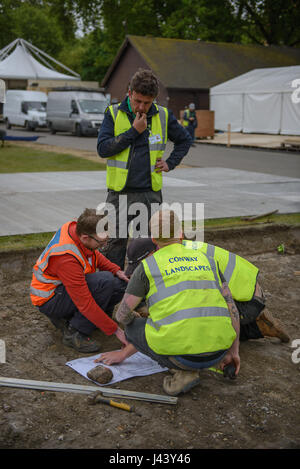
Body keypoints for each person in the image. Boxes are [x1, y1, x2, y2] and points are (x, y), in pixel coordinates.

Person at [95, 209, 241, 396]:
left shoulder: (147, 266)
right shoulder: (208, 260)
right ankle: (190, 365)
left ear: (154, 239)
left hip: (182, 358)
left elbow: (121, 315)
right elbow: (232, 309)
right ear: (181, 234)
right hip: (218, 354)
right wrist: (233, 351)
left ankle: (184, 372)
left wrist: (140, 317)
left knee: (132, 326)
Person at [97, 68, 192, 271]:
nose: (141, 107)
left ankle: (141, 290)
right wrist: (133, 131)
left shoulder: (163, 116)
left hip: (150, 195)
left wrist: (171, 162)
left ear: (154, 99)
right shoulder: (113, 114)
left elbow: (185, 140)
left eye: (147, 103)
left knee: (147, 244)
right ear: (129, 93)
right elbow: (103, 149)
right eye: (137, 101)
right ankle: (114, 289)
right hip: (119, 195)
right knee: (114, 242)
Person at [124, 236, 290, 342]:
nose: (141, 268)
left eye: (141, 263)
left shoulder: (181, 260)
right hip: (249, 293)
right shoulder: (179, 247)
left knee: (195, 327)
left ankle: (256, 323)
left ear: (153, 252)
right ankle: (257, 326)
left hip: (247, 302)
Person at [30, 208, 130, 353]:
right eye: (102, 242)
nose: (104, 245)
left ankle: (96, 320)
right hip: (50, 299)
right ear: (85, 238)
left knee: (119, 283)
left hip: (62, 291)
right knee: (104, 281)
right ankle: (75, 332)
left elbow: (93, 254)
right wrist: (116, 331)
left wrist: (116, 270)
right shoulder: (66, 259)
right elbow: (85, 303)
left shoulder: (77, 231)